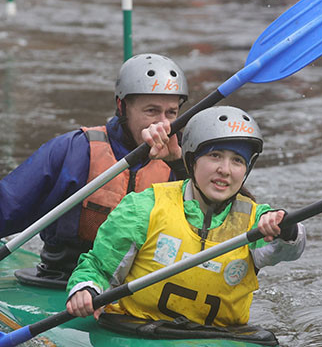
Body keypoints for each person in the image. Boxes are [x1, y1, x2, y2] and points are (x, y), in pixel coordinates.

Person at [0, 54, 190, 294]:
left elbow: (211, 227)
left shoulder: (183, 159)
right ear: (121, 106)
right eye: (151, 111)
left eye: (171, 113)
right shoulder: (74, 151)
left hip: (139, 288)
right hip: (62, 278)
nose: (162, 124)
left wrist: (178, 165)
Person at [65, 106, 306, 327]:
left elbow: (289, 249)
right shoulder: (144, 208)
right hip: (138, 332)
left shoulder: (255, 220)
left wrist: (286, 228)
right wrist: (86, 289)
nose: (225, 169)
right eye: (215, 156)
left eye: (237, 161)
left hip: (221, 340)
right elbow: (99, 268)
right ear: (192, 159)